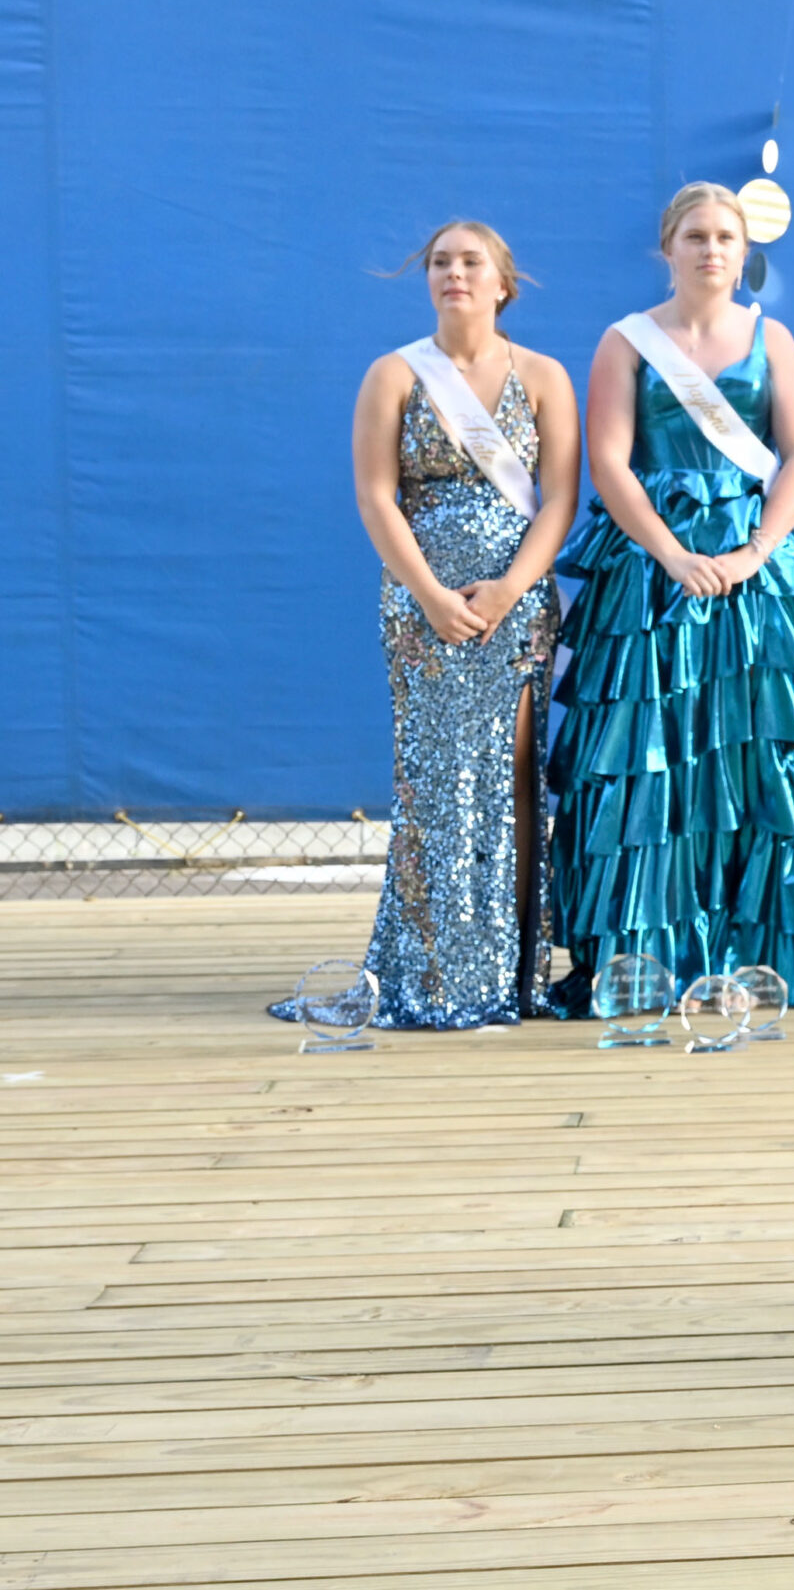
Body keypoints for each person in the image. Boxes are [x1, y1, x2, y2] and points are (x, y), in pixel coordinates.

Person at [548, 182, 794, 1011]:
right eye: (695, 235)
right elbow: (609, 461)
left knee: (754, 755)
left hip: (759, 575)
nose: (712, 248)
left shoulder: (773, 338)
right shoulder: (626, 341)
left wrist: (757, 552)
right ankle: (648, 955)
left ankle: (751, 957)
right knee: (649, 757)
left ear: (744, 249)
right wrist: (672, 554)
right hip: (651, 577)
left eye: (726, 235)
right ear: (668, 247)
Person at [278, 220, 580, 1030]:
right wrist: (431, 595)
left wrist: (509, 588)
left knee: (511, 778)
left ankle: (510, 973)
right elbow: (376, 496)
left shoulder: (545, 376)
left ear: (502, 283)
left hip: (516, 607)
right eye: (441, 262)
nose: (454, 273)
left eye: (471, 262)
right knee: (434, 780)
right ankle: (435, 969)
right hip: (422, 608)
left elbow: (560, 500)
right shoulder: (394, 374)